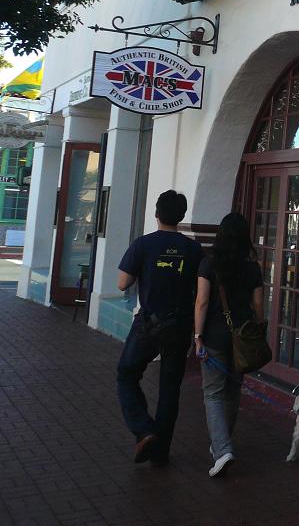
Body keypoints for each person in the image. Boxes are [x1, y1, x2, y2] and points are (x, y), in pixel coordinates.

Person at [116, 189, 204, 466]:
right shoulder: (193, 249)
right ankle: (161, 450)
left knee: (126, 374)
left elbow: (122, 283)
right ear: (181, 216)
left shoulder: (143, 245)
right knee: (170, 387)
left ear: (156, 213)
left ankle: (144, 429)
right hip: (180, 326)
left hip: (149, 324)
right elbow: (201, 291)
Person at [193, 212, 264, 477]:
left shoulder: (208, 264)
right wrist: (258, 329)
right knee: (233, 390)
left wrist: (197, 336)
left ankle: (222, 449)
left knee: (213, 393)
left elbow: (201, 301)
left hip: (213, 336)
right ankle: (222, 444)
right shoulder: (252, 268)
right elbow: (258, 305)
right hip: (241, 337)